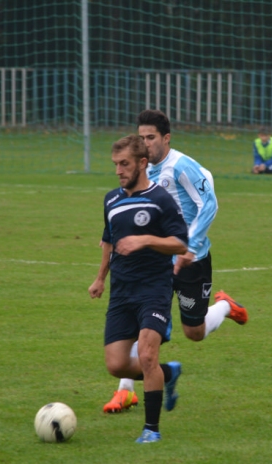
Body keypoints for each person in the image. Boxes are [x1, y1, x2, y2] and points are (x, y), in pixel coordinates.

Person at [102, 109, 249, 414]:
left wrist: (190, 247)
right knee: (141, 324)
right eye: (141, 138)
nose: (145, 143)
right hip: (156, 264)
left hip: (192, 259)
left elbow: (209, 202)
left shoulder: (181, 166)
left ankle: (224, 306)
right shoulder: (141, 171)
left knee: (193, 332)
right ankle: (125, 391)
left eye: (151, 138)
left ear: (166, 139)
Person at [88, 135, 189, 443]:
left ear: (143, 163)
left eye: (125, 164)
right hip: (121, 291)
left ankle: (151, 430)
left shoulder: (160, 199)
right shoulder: (111, 200)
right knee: (116, 364)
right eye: (116, 165)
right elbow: (109, 241)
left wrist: (145, 240)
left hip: (153, 288)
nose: (119, 171)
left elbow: (179, 242)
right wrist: (100, 278)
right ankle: (168, 373)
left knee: (146, 356)